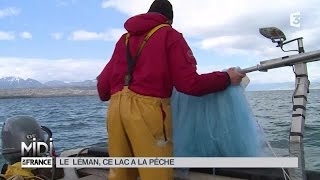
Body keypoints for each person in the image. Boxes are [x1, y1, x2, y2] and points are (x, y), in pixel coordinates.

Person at [97, 0, 245, 179]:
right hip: (148, 112)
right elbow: (189, 84)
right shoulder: (169, 35)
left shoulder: (124, 40)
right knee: (156, 173)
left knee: (121, 173)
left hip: (115, 112)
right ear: (169, 21)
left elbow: (103, 90)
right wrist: (226, 78)